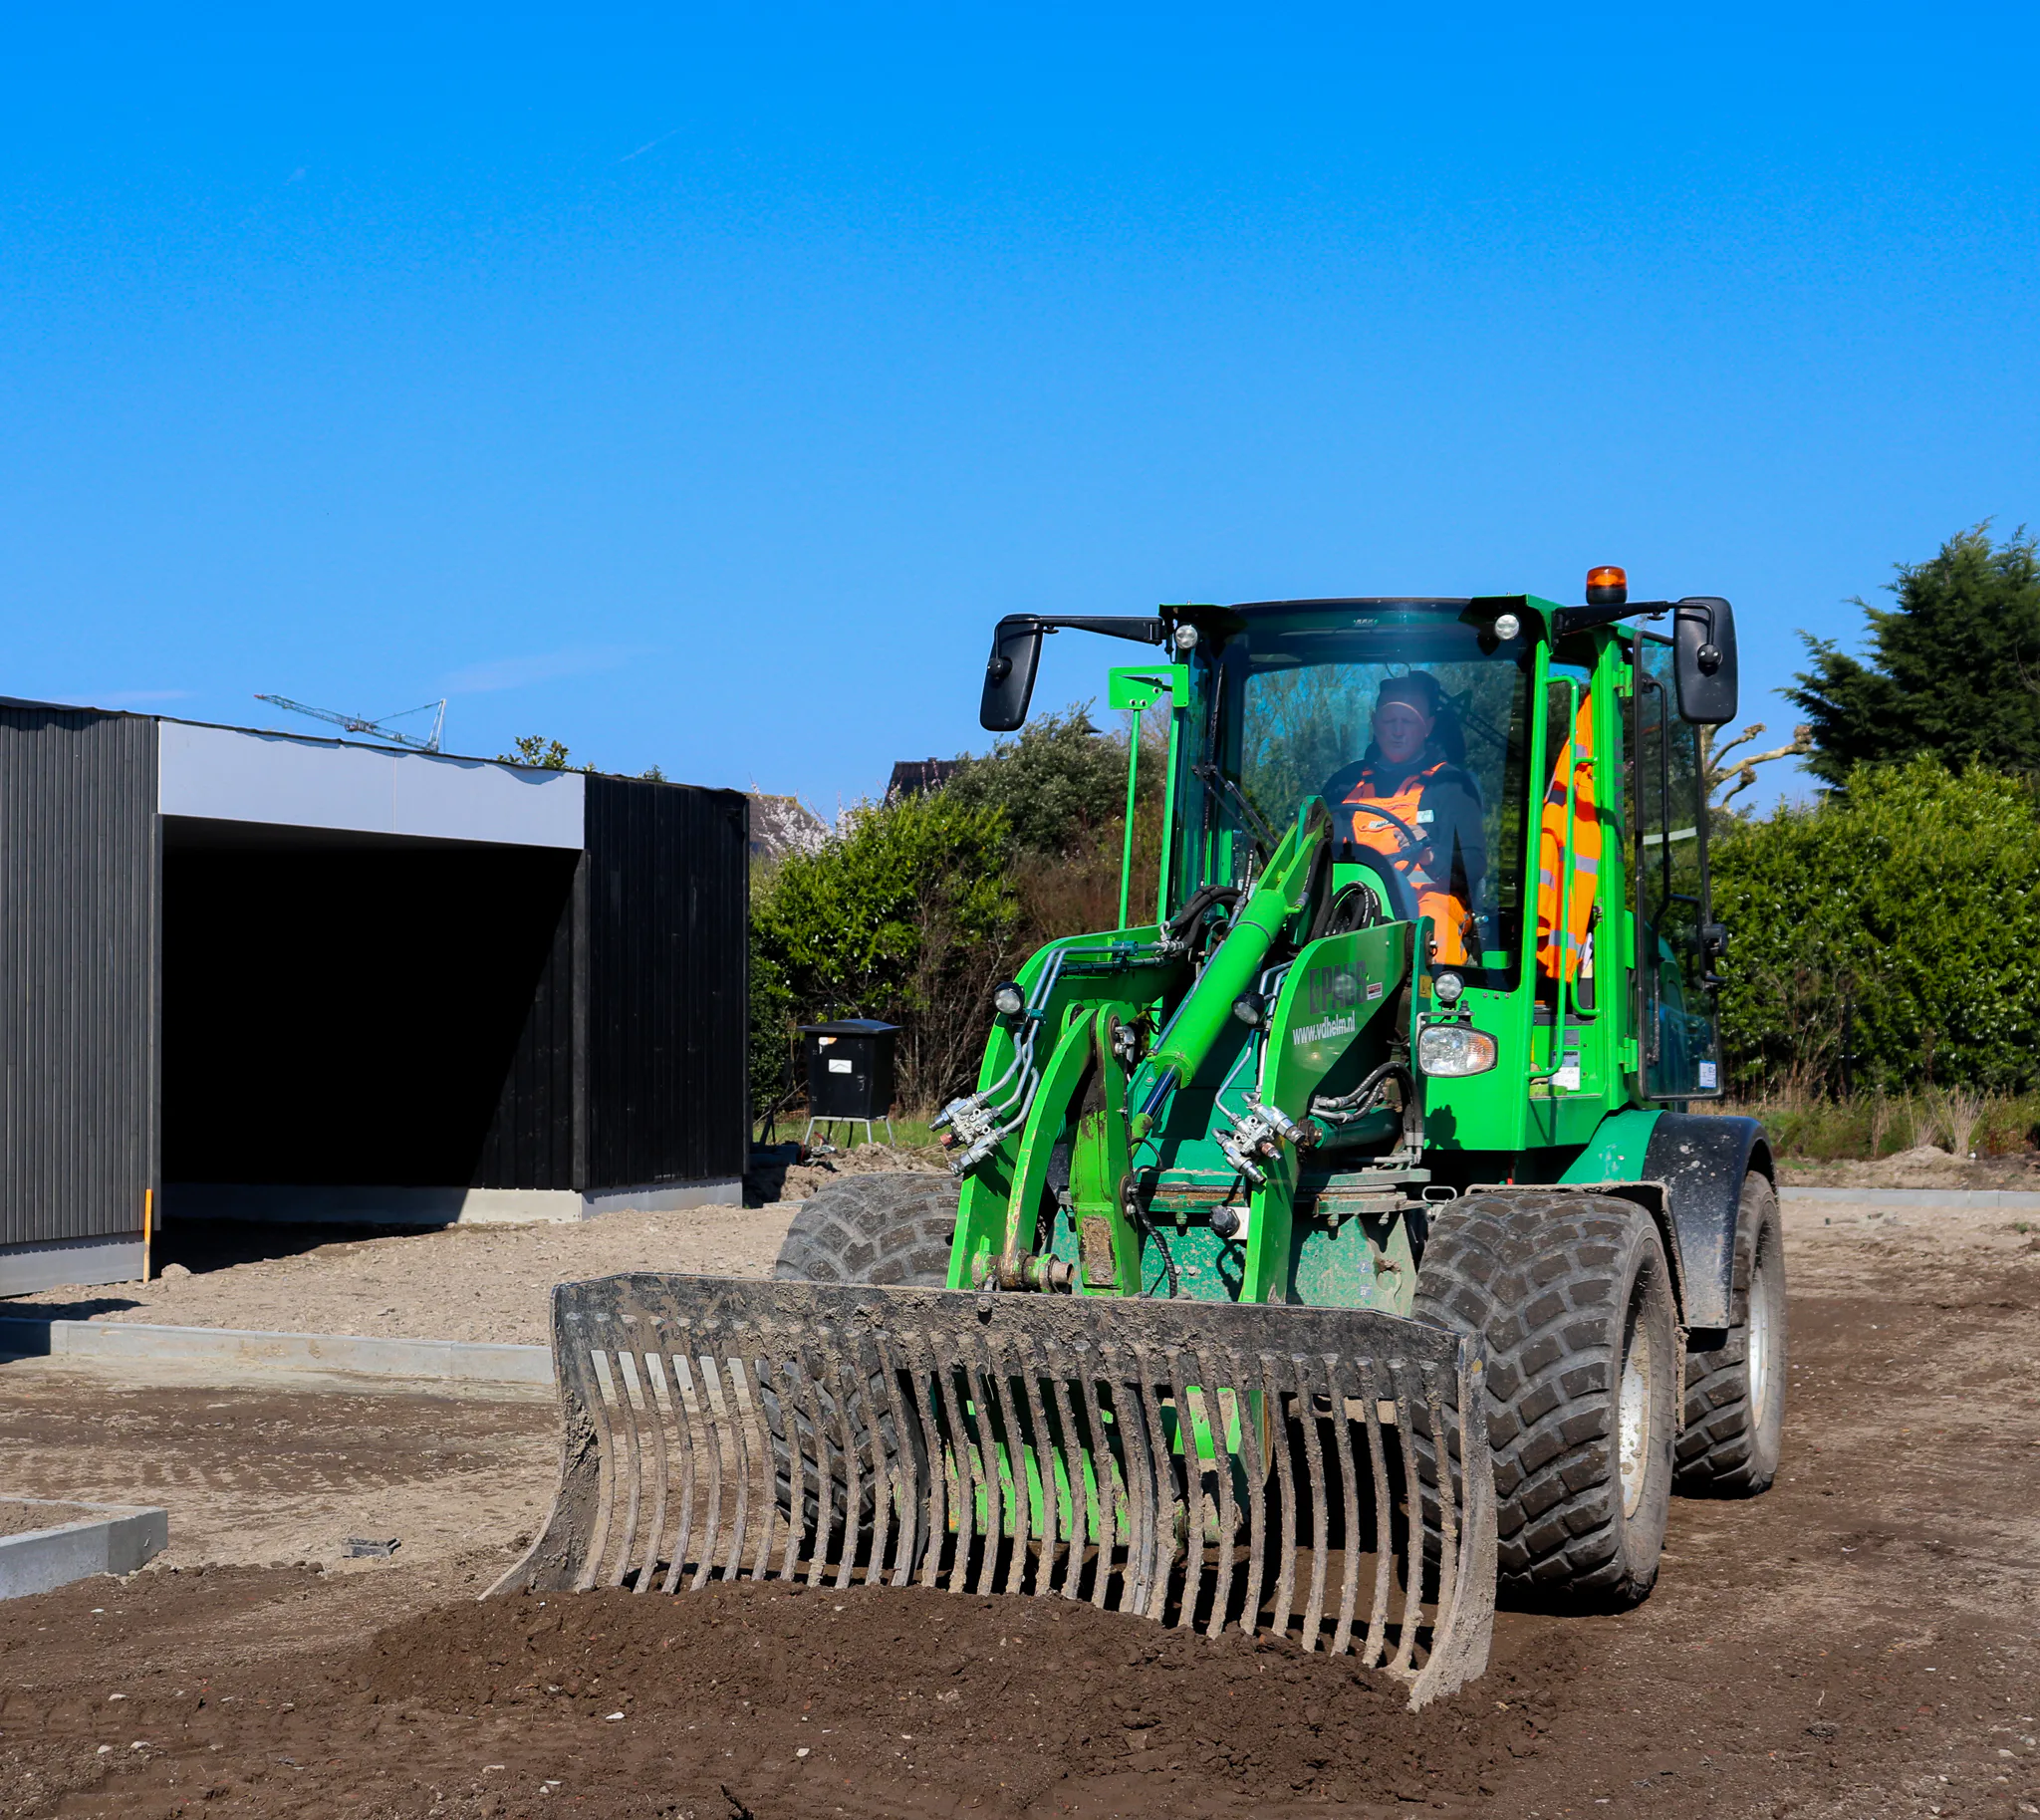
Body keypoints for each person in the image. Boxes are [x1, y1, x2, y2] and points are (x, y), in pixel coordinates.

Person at [1319, 672, 1484, 963]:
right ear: (1374, 722)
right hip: (1354, 901)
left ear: (1428, 727)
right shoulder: (1343, 785)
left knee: (1433, 927)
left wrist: (1431, 854)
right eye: (1389, 720)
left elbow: (1474, 865)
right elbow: (1316, 850)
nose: (1397, 731)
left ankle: (1435, 1003)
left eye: (1407, 722)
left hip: (1428, 901)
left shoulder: (1451, 785)